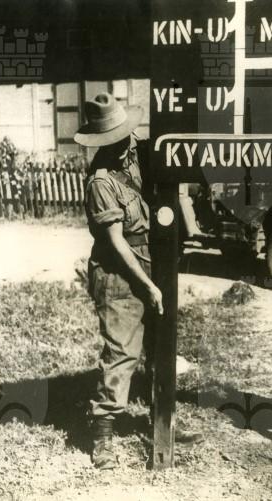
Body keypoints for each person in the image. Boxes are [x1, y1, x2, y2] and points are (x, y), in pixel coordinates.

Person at [75, 93, 201, 470]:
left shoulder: (140, 153)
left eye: (125, 134)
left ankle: (162, 421)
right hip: (119, 273)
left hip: (150, 264)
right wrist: (146, 284)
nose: (124, 143)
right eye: (114, 138)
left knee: (162, 346)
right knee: (122, 352)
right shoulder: (101, 181)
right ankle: (102, 435)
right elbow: (116, 242)